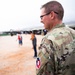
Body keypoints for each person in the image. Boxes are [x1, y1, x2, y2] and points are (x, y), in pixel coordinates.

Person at [36, 1, 75, 75]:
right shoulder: (73, 33)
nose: (41, 20)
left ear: (51, 15)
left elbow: (42, 72)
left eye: (41, 17)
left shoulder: (48, 40)